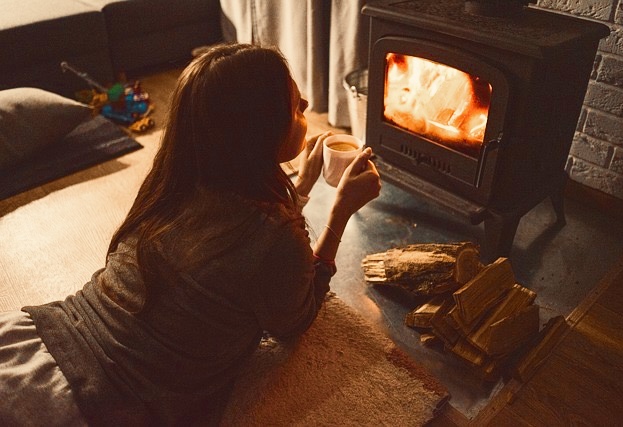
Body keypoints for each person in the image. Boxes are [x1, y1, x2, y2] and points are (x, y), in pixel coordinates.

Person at [0, 43, 381, 425]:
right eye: (295, 106)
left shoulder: (173, 181)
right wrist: (340, 213)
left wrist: (297, 192)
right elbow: (294, 323)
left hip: (42, 339)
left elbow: (232, 243)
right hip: (86, 400)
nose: (306, 105)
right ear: (258, 130)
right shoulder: (275, 237)